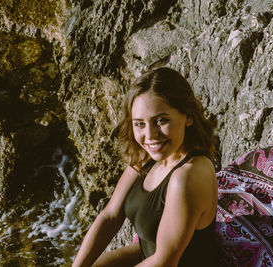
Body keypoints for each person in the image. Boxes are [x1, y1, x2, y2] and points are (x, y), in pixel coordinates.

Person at [73, 67, 219, 267]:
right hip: (146, 255)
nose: (150, 136)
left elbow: (165, 261)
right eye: (140, 124)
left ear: (188, 117)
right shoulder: (146, 156)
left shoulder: (187, 176)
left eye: (161, 120)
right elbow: (110, 216)